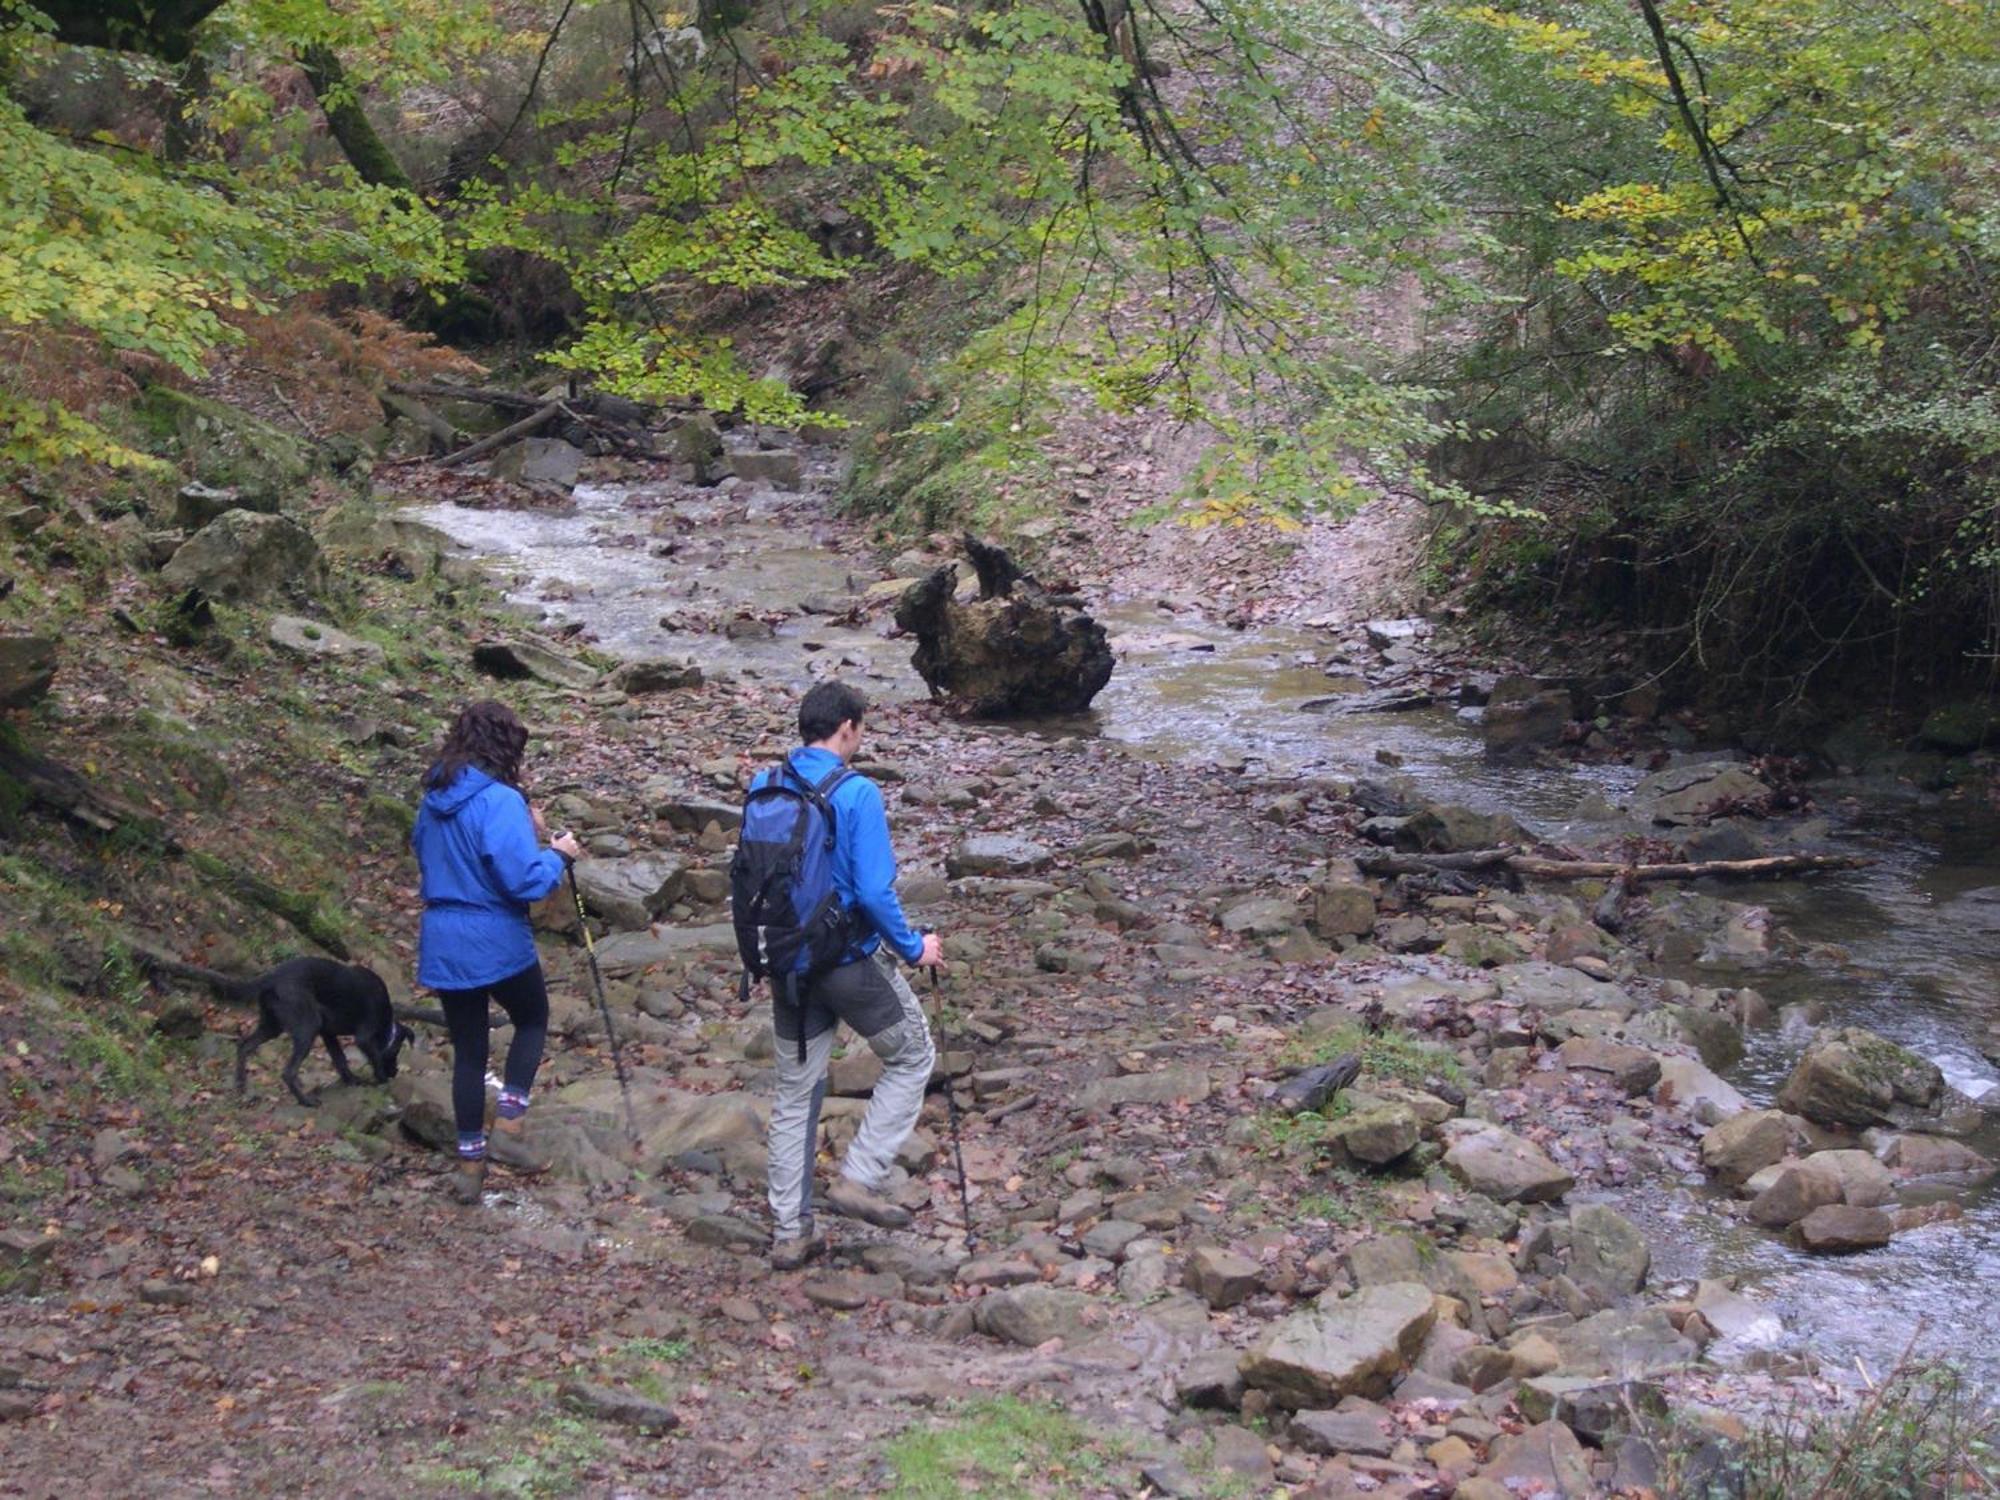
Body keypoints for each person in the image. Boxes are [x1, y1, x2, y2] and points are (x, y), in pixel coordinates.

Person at [760, 680, 944, 1270]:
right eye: (860, 729)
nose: (861, 739)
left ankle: (790, 1232)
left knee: (795, 1093)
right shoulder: (857, 792)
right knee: (913, 1056)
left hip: (787, 962)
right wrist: (915, 947)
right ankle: (859, 1176)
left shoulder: (766, 785)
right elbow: (871, 890)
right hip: (847, 962)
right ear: (846, 728)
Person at [411, 700, 582, 1204]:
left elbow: (430, 853)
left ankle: (469, 1167)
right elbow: (523, 881)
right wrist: (559, 854)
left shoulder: (434, 797)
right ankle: (509, 1125)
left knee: (469, 1050)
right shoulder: (501, 800)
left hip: (443, 935)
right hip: (494, 937)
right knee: (532, 1016)